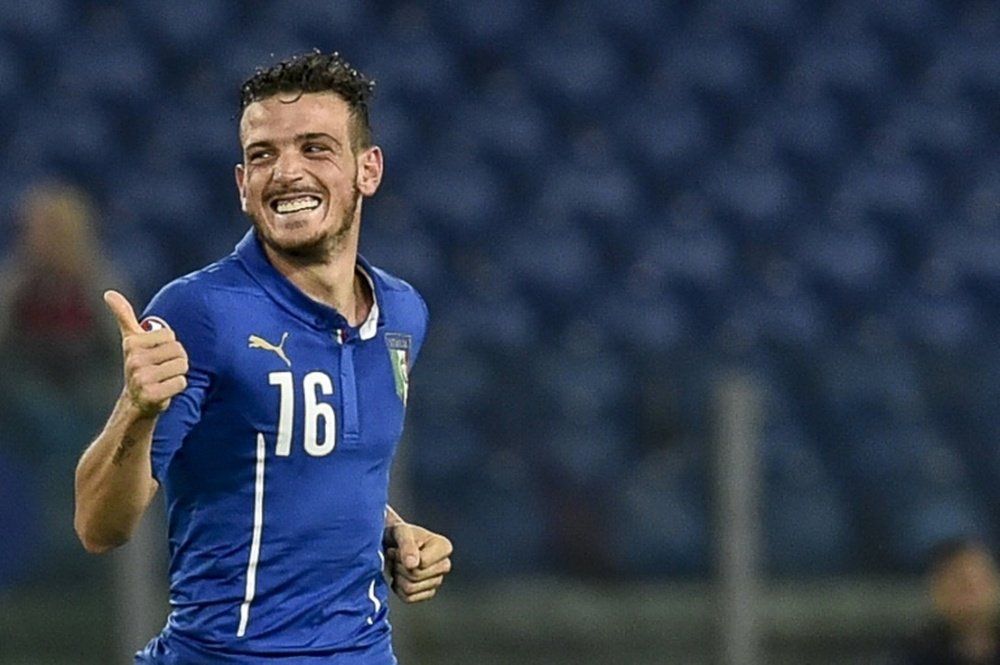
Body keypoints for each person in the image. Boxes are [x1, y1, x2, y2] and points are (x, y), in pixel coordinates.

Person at [74, 51, 453, 664]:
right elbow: (98, 526)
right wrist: (136, 410)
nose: (287, 172)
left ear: (368, 169)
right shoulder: (201, 312)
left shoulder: (403, 315)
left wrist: (391, 533)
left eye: (315, 148)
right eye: (263, 155)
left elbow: (318, 468)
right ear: (241, 184)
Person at [899, 538, 1000, 665]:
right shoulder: (916, 653)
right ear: (936, 590)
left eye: (979, 579)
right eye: (959, 582)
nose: (971, 589)